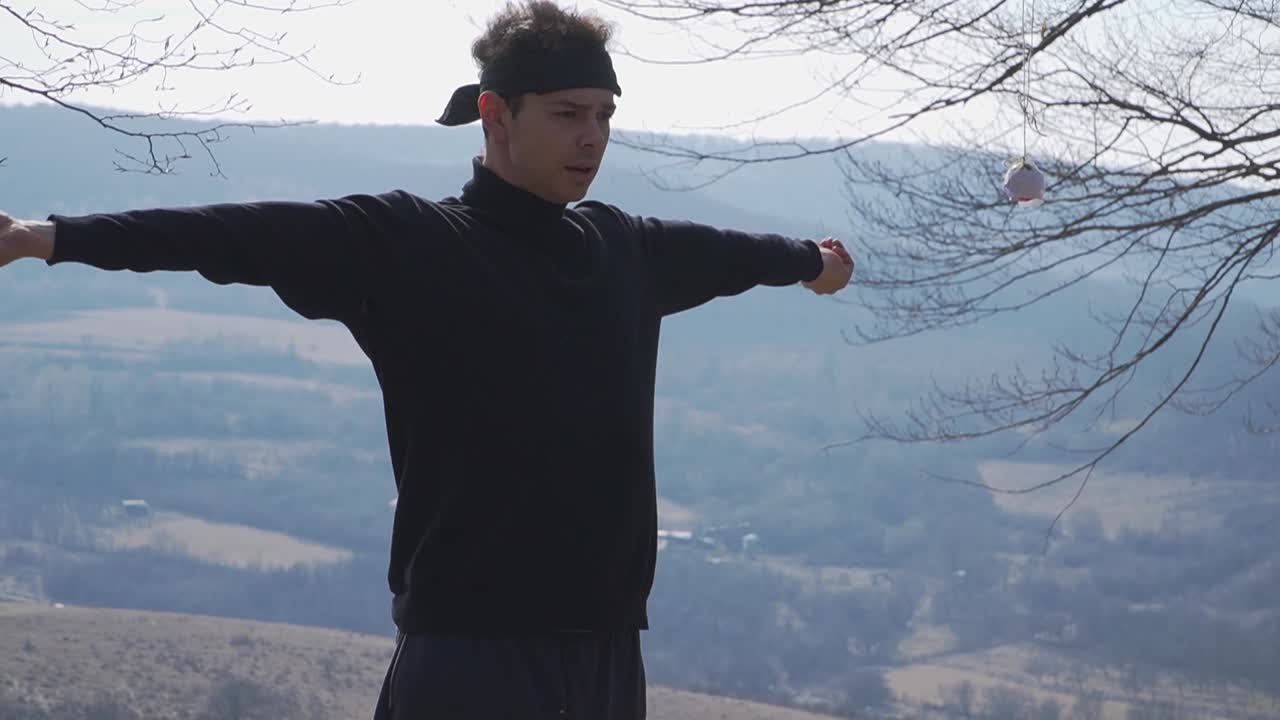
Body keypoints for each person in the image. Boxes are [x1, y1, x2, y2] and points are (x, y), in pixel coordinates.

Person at [0, 1, 854, 717]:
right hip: (468, 656)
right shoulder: (410, 242)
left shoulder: (624, 247)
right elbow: (230, 232)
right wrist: (52, 237)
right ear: (496, 115)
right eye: (566, 113)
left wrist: (811, 262)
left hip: (605, 654)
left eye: (604, 116)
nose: (592, 137)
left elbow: (737, 253)